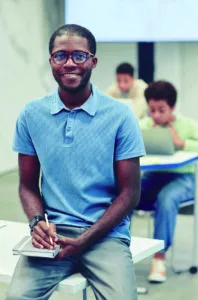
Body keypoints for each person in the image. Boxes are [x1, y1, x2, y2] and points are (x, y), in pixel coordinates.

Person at [6, 24, 145, 300]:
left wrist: (85, 239)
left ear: (93, 61)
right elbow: (27, 185)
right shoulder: (31, 115)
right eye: (61, 56)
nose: (70, 63)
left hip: (106, 235)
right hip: (54, 236)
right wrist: (36, 223)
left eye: (79, 56)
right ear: (51, 62)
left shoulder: (120, 116)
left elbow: (130, 193)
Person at [138, 80, 198, 283]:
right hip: (153, 175)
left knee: (167, 198)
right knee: (126, 192)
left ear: (172, 107)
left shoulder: (187, 125)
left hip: (185, 178)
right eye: (152, 110)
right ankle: (117, 249)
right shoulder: (144, 125)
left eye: (161, 110)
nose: (155, 115)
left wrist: (182, 143)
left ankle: (159, 258)